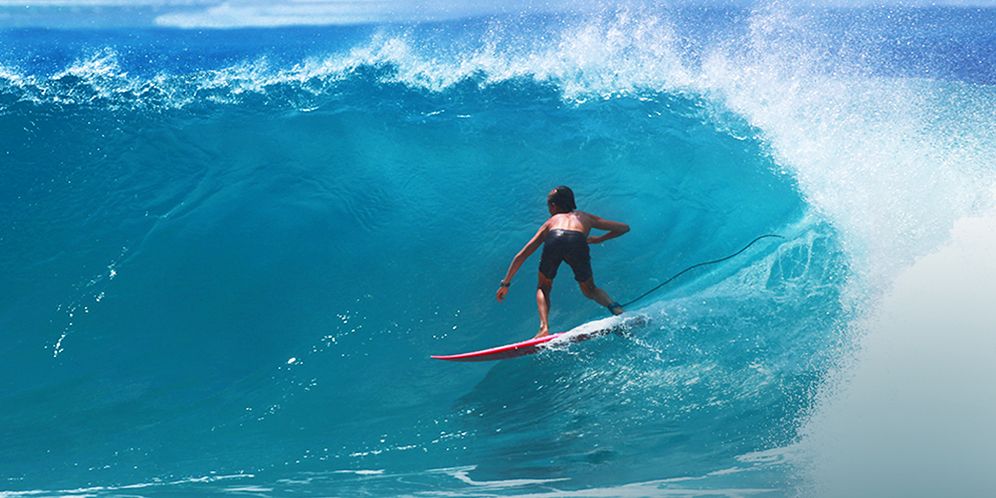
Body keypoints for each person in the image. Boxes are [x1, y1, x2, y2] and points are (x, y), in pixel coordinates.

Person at [496, 186, 630, 338]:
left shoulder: (551, 222)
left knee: (543, 287)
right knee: (590, 289)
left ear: (553, 206)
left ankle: (544, 328)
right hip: (577, 241)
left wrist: (505, 283)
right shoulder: (585, 217)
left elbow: (522, 255)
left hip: (555, 237)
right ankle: (616, 309)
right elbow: (624, 228)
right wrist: (599, 239)